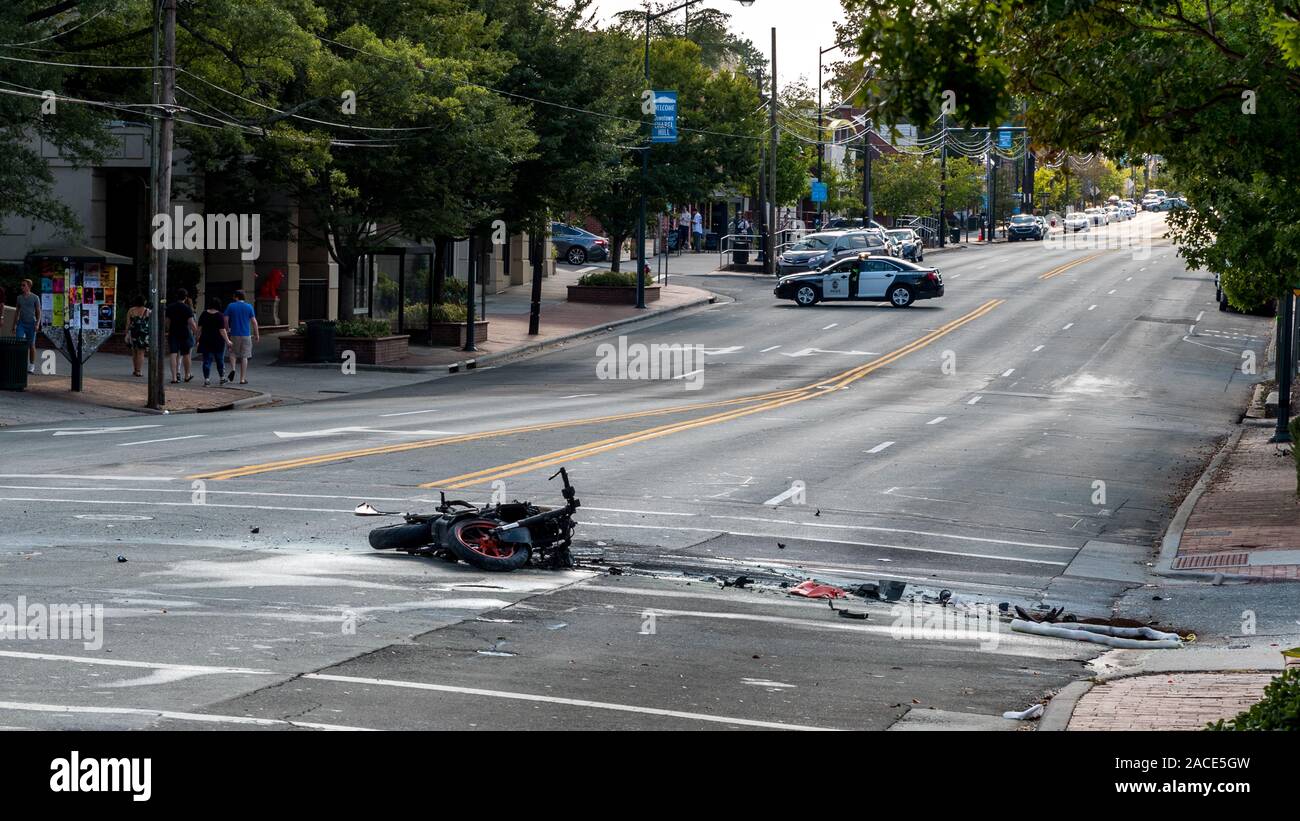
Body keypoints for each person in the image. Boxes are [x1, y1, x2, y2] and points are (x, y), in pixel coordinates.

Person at [223, 289, 259, 385]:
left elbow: (225, 319)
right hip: (246, 334)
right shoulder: (249, 307)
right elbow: (254, 322)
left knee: (232, 352)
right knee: (244, 356)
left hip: (234, 333)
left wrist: (227, 329)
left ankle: (233, 369)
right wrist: (256, 334)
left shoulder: (231, 306)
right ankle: (242, 379)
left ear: (236, 297)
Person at [196, 297, 231, 386]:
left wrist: (197, 338)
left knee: (206, 360)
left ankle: (207, 379)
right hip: (218, 341)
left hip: (205, 340)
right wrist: (228, 341)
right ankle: (222, 378)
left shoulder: (204, 314)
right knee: (220, 360)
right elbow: (222, 330)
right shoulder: (220, 315)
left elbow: (199, 328)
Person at [164, 288, 197, 383]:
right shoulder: (187, 308)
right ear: (185, 298)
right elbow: (191, 323)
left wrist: (168, 329)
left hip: (173, 332)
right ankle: (187, 375)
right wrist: (197, 333)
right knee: (186, 354)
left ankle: (174, 377)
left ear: (177, 296)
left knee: (173, 354)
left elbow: (167, 322)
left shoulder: (170, 307)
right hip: (184, 333)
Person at [15, 279, 41, 374]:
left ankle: (32, 365)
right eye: (21, 285)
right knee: (18, 343)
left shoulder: (35, 297)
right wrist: (14, 324)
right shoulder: (19, 298)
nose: (21, 287)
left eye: (23, 285)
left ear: (29, 286)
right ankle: (19, 364)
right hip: (21, 323)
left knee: (31, 345)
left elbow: (38, 311)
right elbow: (17, 311)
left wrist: (37, 323)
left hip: (31, 324)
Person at [125, 294, 151, 377]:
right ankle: (139, 371)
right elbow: (151, 324)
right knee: (141, 353)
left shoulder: (131, 310)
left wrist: (126, 333)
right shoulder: (148, 311)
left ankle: (135, 369)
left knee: (134, 352)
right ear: (144, 302)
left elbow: (128, 324)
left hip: (134, 333)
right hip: (144, 334)